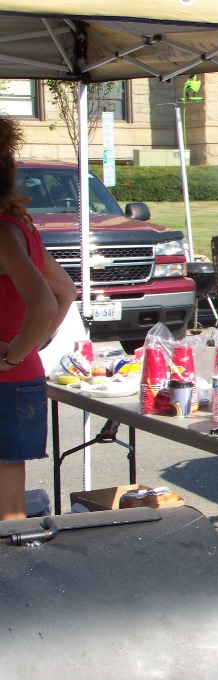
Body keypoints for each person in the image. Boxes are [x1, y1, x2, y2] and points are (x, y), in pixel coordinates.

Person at [0, 115, 77, 521]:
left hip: (8, 379)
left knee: (8, 513)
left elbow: (47, 302)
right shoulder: (19, 226)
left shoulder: (5, 231)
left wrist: (13, 354)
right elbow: (65, 292)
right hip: (21, 376)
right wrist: (31, 344)